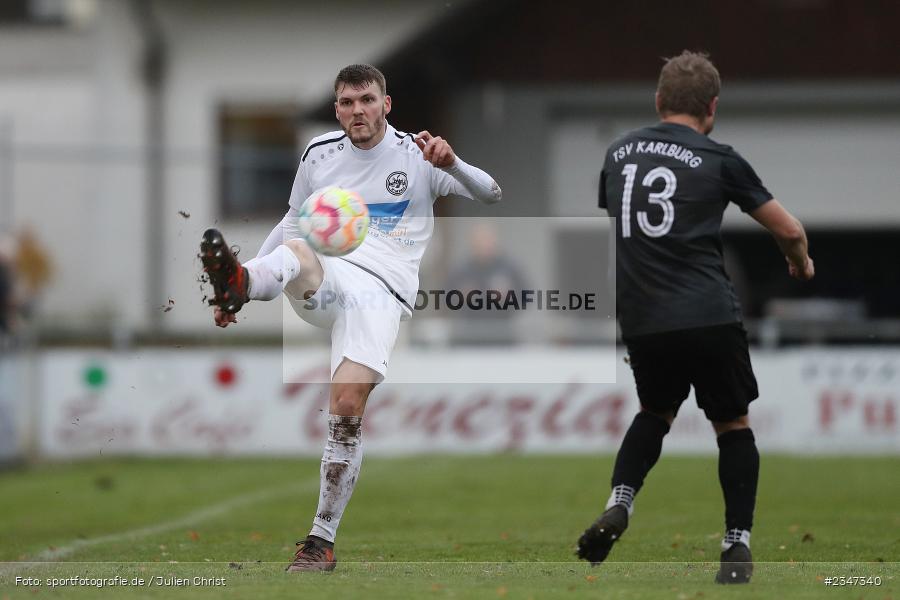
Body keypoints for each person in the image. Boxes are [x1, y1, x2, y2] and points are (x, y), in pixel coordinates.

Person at [199, 64, 501, 572]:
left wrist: (452, 164)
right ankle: (241, 287)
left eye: (365, 99)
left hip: (381, 295)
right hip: (330, 275)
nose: (355, 110)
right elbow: (292, 220)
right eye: (345, 102)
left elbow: (490, 193)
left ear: (386, 104)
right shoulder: (320, 154)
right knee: (297, 246)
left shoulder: (419, 154)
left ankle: (320, 541)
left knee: (344, 405)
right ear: (337, 109)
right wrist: (246, 276)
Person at [575, 51, 814, 584]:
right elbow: (790, 230)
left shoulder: (617, 154)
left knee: (655, 412)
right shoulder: (719, 157)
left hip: (642, 316)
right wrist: (799, 262)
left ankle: (621, 501)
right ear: (712, 107)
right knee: (731, 424)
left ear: (659, 101)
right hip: (707, 312)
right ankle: (736, 543)